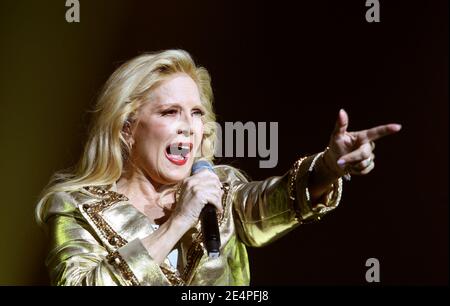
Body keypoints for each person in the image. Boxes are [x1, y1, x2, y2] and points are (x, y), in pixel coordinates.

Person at [35, 49, 401, 286]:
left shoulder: (217, 186)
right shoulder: (75, 207)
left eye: (195, 113)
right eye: (169, 112)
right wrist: (178, 222)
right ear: (127, 129)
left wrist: (328, 167)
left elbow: (276, 201)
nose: (188, 126)